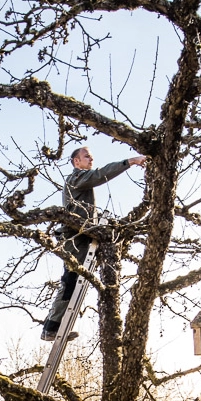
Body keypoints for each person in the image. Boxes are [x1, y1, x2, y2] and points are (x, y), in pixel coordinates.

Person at [41, 146, 147, 341]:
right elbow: (100, 175)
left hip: (82, 238)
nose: (91, 159)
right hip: (75, 240)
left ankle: (55, 326)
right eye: (87, 156)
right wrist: (130, 161)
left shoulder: (81, 181)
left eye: (91, 156)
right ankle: (52, 327)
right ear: (76, 161)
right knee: (70, 281)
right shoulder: (77, 178)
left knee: (74, 281)